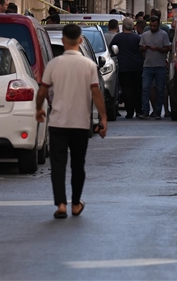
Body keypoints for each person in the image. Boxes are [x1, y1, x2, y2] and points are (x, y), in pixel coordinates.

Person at [35, 24, 108, 219]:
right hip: (80, 124)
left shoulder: (54, 64)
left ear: (63, 41)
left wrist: (38, 111)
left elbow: (42, 91)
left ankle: (61, 205)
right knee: (78, 165)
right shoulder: (89, 65)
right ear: (81, 40)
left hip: (58, 123)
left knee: (57, 165)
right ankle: (75, 204)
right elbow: (96, 92)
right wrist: (103, 117)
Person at [110, 18, 143, 119]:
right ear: (133, 26)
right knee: (138, 89)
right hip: (137, 66)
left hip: (124, 67)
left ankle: (130, 112)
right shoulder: (137, 38)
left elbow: (111, 49)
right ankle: (138, 110)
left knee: (127, 89)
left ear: (123, 26)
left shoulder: (117, 37)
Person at [138, 16, 171, 119]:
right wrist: (143, 48)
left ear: (158, 25)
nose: (152, 27)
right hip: (147, 66)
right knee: (145, 88)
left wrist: (157, 49)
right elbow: (140, 48)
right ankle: (145, 111)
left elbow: (167, 48)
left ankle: (157, 112)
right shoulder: (145, 35)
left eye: (155, 26)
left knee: (160, 90)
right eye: (151, 26)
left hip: (160, 66)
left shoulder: (163, 35)